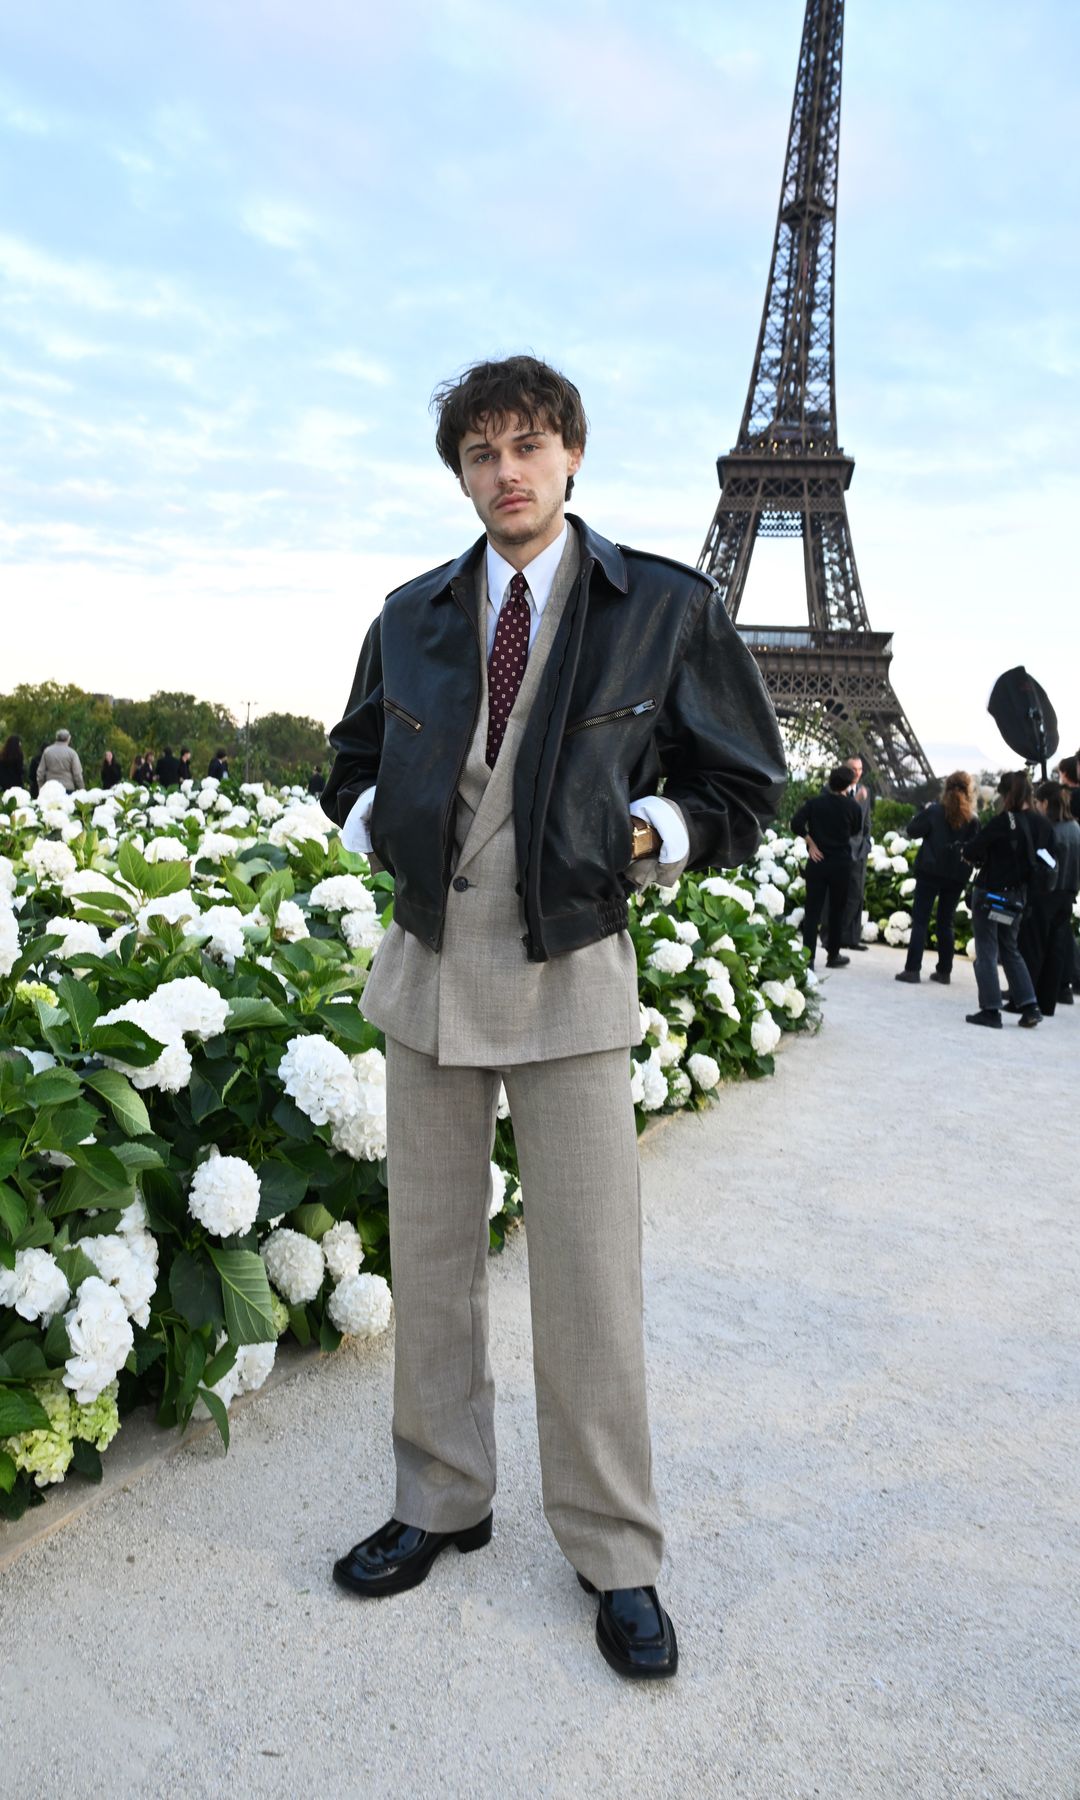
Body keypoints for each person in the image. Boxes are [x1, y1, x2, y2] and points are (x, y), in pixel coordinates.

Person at [320, 354, 785, 1680]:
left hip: (574, 969)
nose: (505, 474)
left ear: (572, 453)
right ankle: (439, 1499)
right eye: (480, 454)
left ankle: (615, 1548)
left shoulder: (666, 608)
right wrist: (383, 828)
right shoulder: (410, 612)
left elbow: (746, 785)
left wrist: (653, 830)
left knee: (592, 1279)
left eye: (527, 445)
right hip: (427, 968)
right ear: (460, 473)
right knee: (433, 1261)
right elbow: (351, 761)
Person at [962, 770, 1048, 1029]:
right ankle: (1030, 1004)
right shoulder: (1039, 824)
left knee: (987, 950)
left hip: (991, 893)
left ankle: (990, 1010)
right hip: (1018, 896)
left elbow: (973, 849)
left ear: (1006, 794)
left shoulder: (1003, 822)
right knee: (1010, 948)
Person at [895, 771, 978, 985]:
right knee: (945, 922)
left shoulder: (934, 811)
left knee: (921, 920)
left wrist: (923, 813)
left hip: (929, 872)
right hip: (956, 876)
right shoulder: (972, 819)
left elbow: (913, 831)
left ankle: (912, 969)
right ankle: (944, 971)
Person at [791, 766, 864, 969]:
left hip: (817, 861)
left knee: (812, 911)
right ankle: (833, 955)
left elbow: (796, 823)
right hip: (841, 863)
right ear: (849, 785)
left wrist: (810, 842)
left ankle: (808, 958)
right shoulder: (853, 807)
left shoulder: (815, 803)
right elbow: (856, 830)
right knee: (837, 910)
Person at [1020, 782, 1080, 1017]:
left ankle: (1027, 996)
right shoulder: (1075, 829)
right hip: (1067, 894)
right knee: (1056, 949)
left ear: (1045, 803)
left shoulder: (1051, 831)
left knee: (1034, 946)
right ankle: (1047, 1001)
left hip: (1047, 894)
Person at [839, 755, 872, 949]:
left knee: (857, 895)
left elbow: (866, 822)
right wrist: (856, 803)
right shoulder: (834, 790)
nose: (857, 773)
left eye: (860, 769)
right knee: (839, 895)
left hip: (859, 850)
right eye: (853, 769)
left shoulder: (864, 791)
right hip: (841, 849)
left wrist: (866, 844)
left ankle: (851, 938)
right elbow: (843, 818)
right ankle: (834, 935)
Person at [36, 728, 84, 794]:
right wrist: (82, 788)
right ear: (68, 738)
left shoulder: (47, 751)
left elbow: (40, 772)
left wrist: (41, 787)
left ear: (56, 738)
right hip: (67, 787)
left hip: (50, 787)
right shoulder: (72, 753)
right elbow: (77, 774)